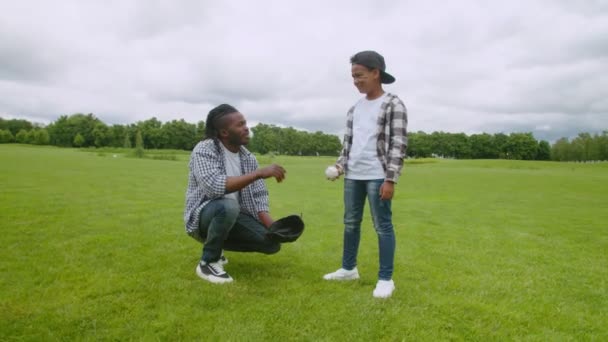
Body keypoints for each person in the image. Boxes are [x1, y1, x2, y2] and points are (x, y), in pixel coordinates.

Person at [323, 51, 408, 298]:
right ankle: (348, 269)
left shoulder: (393, 104)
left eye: (359, 75)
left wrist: (390, 178)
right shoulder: (355, 109)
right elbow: (349, 146)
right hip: (353, 176)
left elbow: (398, 143)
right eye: (353, 76)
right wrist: (340, 166)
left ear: (375, 73)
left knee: (382, 226)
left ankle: (385, 279)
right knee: (350, 224)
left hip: (378, 175)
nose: (356, 81)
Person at [184, 104, 287, 284]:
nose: (246, 128)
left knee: (271, 244)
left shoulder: (248, 158)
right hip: (204, 216)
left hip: (234, 215)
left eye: (245, 123)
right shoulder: (204, 149)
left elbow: (259, 196)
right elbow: (214, 186)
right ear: (224, 132)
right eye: (240, 125)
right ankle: (208, 262)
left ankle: (217, 247)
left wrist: (274, 227)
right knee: (228, 205)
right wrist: (258, 173)